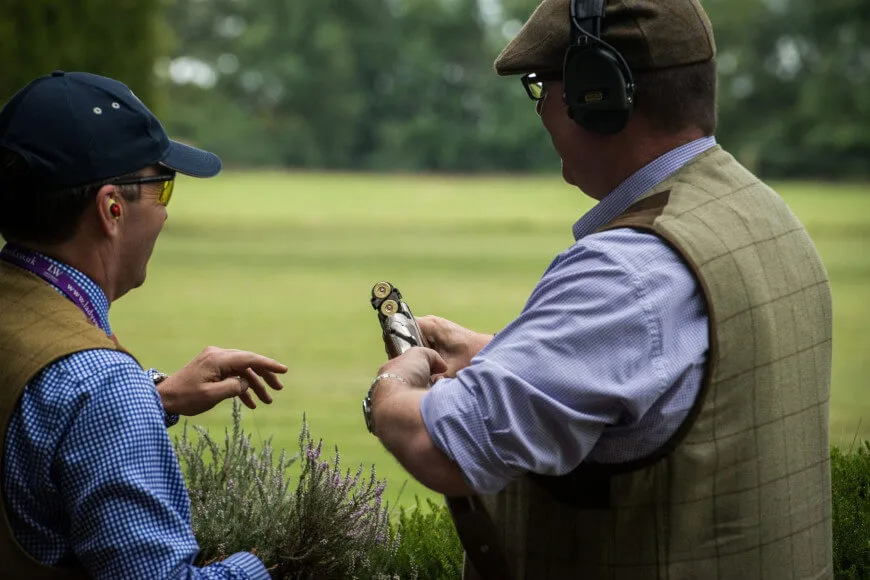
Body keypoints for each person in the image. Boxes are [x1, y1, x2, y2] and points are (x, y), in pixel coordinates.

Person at [364, 0, 834, 578]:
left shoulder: (627, 272)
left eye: (542, 86)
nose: (540, 111)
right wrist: (496, 357)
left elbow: (444, 445)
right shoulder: (760, 214)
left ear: (597, 93)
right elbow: (669, 375)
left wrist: (392, 386)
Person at [0, 71, 289, 579]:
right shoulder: (100, 387)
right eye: (164, 189)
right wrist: (268, 564)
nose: (165, 216)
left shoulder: (82, 384)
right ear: (112, 208)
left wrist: (157, 396)